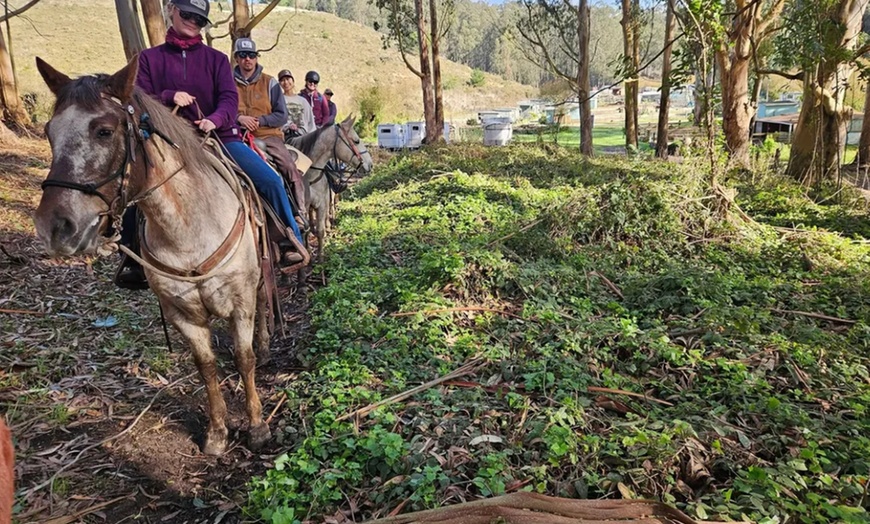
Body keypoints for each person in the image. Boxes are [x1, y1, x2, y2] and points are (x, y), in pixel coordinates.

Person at [115, 0, 308, 288]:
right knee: (135, 190)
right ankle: (133, 259)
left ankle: (291, 239)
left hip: (218, 137)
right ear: (171, 10)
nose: (193, 21)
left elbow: (229, 100)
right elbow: (138, 97)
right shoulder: (148, 59)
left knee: (270, 180)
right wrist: (169, 96)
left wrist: (215, 120)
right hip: (166, 142)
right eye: (187, 14)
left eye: (200, 19)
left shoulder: (216, 59)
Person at [233, 39, 307, 223]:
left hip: (268, 136)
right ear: (237, 58)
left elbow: (282, 115)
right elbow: (222, 107)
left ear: (256, 58)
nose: (247, 59)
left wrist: (260, 121)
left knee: (289, 166)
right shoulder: (227, 81)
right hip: (236, 135)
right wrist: (239, 119)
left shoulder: (270, 82)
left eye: (251, 55)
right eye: (243, 55)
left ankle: (299, 212)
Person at [278, 69, 315, 140]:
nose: (286, 82)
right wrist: (288, 126)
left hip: (304, 138)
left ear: (293, 80)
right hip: (287, 137)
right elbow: (278, 121)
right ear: (280, 83)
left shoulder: (303, 101)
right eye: (282, 80)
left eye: (288, 79)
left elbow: (311, 124)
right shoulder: (278, 101)